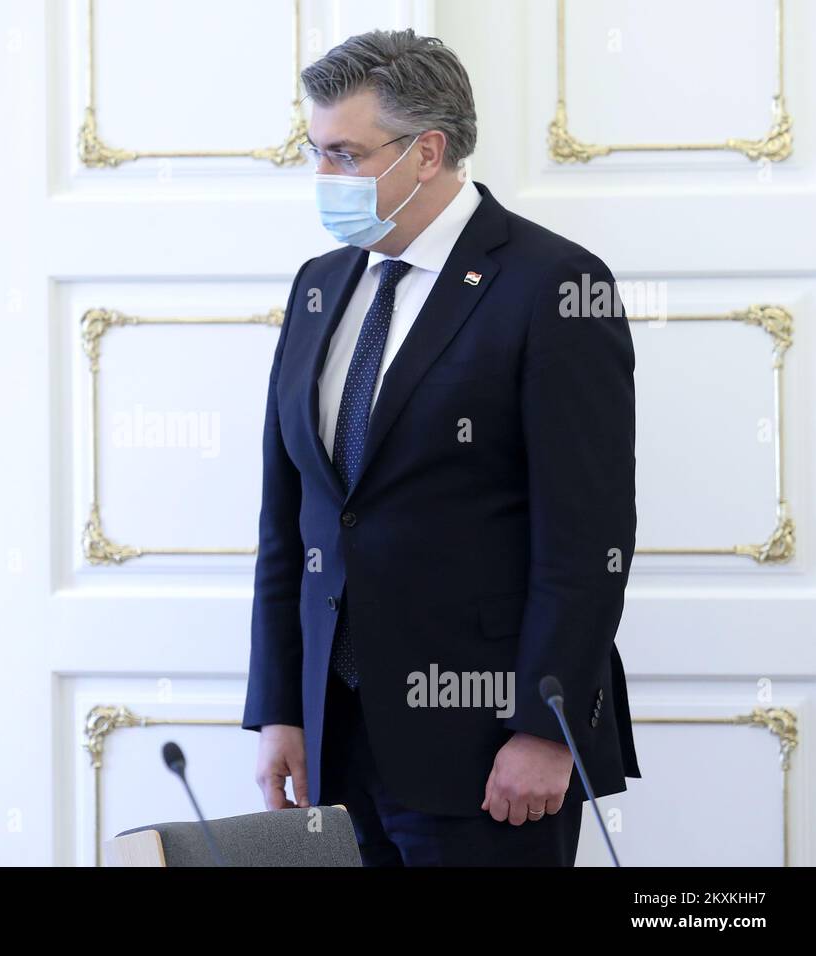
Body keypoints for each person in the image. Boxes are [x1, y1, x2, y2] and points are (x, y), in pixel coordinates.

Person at [243, 30, 640, 865]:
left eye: (344, 154)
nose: (324, 179)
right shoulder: (320, 284)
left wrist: (546, 728)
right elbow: (292, 518)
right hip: (335, 743)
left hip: (490, 751)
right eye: (313, 153)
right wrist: (281, 706)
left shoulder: (552, 286)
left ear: (425, 152)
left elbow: (587, 535)